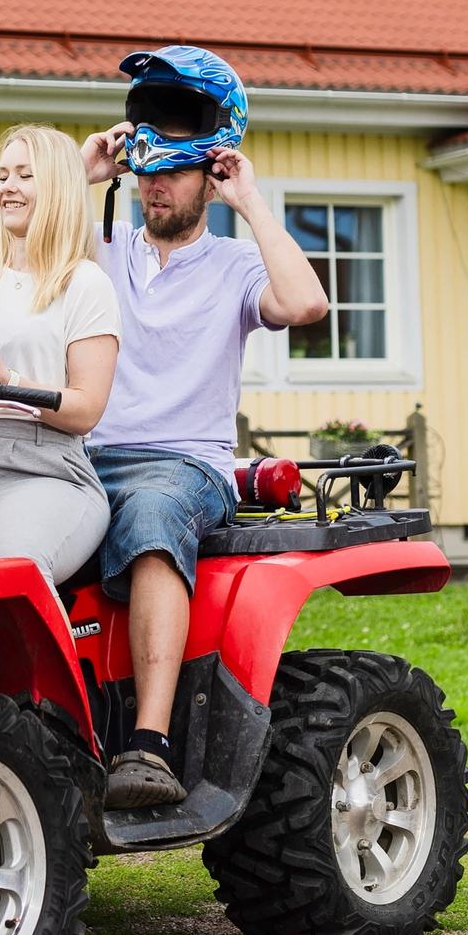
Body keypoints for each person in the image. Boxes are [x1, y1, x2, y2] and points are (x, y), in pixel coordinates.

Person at [82, 47, 330, 809]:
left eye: (174, 174)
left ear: (208, 174)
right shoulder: (99, 251)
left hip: (185, 466)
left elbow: (307, 305)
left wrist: (252, 203)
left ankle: (149, 745)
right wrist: (70, 176)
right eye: (146, 172)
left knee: (153, 510)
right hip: (83, 455)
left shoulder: (234, 266)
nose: (157, 186)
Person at [0, 125, 120, 585]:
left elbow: (85, 410)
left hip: (48, 477)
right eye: (1, 176)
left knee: (7, 574)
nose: (7, 188)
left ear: (56, 186)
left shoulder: (83, 282)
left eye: (24, 175)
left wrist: (5, 378)